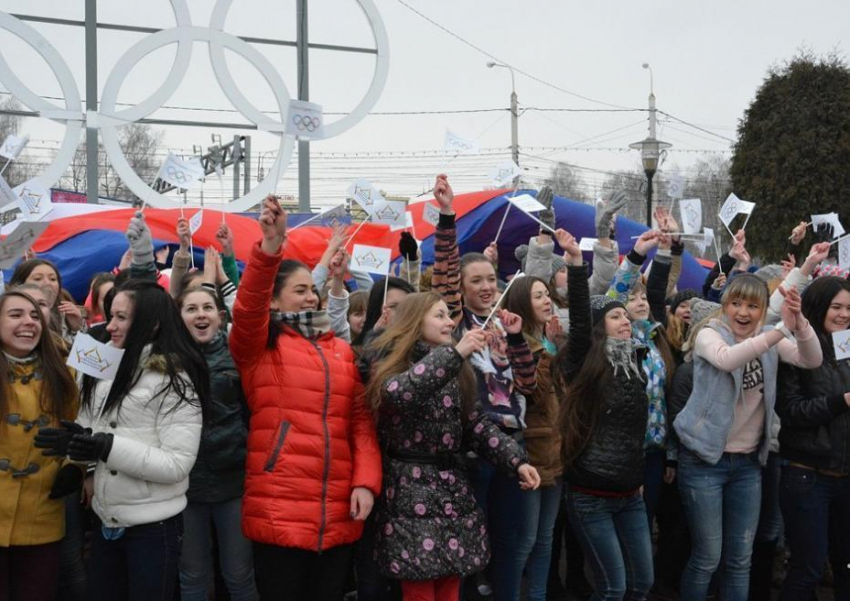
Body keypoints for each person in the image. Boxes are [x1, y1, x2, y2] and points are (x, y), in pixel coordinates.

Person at [230, 194, 382, 601]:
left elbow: (361, 424)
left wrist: (365, 483)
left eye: (311, 292)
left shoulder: (341, 351)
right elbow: (246, 310)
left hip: (336, 510)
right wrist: (269, 249)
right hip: (280, 508)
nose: (311, 298)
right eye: (300, 291)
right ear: (275, 300)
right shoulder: (260, 347)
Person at [36, 279, 210, 601]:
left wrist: (106, 446)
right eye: (110, 315)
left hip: (153, 529)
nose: (110, 326)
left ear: (152, 323)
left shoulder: (176, 378)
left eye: (121, 318)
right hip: (105, 518)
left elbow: (177, 464)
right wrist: (76, 462)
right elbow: (87, 423)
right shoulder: (103, 359)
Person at [365, 291, 540, 601]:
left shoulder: (455, 368)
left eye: (449, 315)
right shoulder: (393, 361)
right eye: (440, 315)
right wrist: (455, 354)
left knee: (450, 588)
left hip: (452, 491)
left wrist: (517, 461)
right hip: (410, 492)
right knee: (419, 588)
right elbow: (398, 394)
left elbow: (475, 425)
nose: (449, 323)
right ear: (415, 322)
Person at [673, 274, 822, 601]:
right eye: (736, 303)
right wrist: (779, 331)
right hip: (703, 462)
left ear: (762, 309)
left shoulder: (769, 336)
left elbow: (811, 359)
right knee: (708, 558)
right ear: (725, 306)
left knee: (740, 560)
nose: (743, 312)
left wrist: (800, 324)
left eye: (753, 306)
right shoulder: (709, 335)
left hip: (747, 465)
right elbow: (728, 360)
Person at [431, 174, 539, 601]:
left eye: (491, 278)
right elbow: (442, 275)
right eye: (475, 279)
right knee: (470, 548)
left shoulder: (505, 324)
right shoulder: (453, 325)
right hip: (472, 450)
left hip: (513, 446)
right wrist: (446, 217)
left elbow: (527, 387)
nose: (487, 286)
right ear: (461, 287)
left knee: (512, 546)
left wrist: (516, 340)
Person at [555, 230, 655, 601]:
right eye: (615, 316)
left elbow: (633, 429)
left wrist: (640, 254)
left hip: (631, 492)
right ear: (600, 327)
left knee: (642, 583)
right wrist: (576, 265)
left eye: (626, 314)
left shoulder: (634, 360)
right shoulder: (583, 362)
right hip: (591, 492)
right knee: (612, 587)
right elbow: (581, 321)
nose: (625, 320)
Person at [177, 287, 258, 601]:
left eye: (207, 307)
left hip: (233, 482)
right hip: (186, 486)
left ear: (220, 316)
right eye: (191, 308)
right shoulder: (166, 359)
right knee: (193, 576)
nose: (200, 314)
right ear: (179, 317)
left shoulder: (237, 355)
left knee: (239, 575)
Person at [0, 290, 79, 601]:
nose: (28, 322)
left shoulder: (65, 371)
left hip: (42, 516)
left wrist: (74, 465)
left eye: (34, 315)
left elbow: (83, 427)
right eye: (15, 314)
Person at [776, 275, 850, 600]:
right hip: (807, 474)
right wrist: (841, 401)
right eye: (837, 307)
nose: (844, 314)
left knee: (846, 565)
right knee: (808, 568)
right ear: (819, 306)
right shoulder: (797, 349)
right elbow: (791, 411)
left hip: (845, 475)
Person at [502, 273, 565, 601]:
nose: (546, 301)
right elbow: (536, 393)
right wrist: (551, 349)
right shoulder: (521, 343)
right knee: (524, 540)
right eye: (538, 296)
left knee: (545, 539)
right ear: (521, 302)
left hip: (554, 453)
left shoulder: (548, 340)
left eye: (547, 294)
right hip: (531, 455)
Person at [9, 258, 84, 339]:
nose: (47, 283)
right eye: (37, 279)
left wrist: (77, 329)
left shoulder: (65, 316)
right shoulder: (7, 314)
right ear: (20, 284)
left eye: (53, 279)